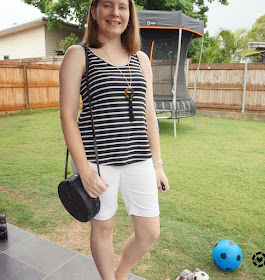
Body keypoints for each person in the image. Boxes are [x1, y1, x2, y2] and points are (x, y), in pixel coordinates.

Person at [59, 0, 170, 279]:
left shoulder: (141, 59)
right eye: (107, 5)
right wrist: (83, 169)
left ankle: (121, 273)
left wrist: (157, 164)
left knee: (149, 232)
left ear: (130, 14)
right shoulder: (79, 54)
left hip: (139, 159)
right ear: (94, 12)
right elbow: (67, 116)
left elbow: (149, 113)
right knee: (103, 228)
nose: (115, 13)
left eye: (122, 6)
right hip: (98, 163)